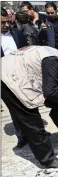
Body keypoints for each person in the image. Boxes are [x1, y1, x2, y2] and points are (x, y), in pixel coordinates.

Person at [1, 46, 58, 167]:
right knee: (31, 118)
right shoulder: (54, 60)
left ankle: (32, 139)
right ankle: (48, 159)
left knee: (29, 114)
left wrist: (57, 101)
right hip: (8, 80)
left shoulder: (51, 53)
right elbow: (50, 91)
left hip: (10, 72)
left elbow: (47, 88)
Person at [1, 7, 26, 148]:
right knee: (14, 108)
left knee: (29, 103)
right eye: (2, 23)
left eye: (7, 21)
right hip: (5, 78)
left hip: (21, 75)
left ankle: (36, 132)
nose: (6, 25)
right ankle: (21, 136)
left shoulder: (16, 33)